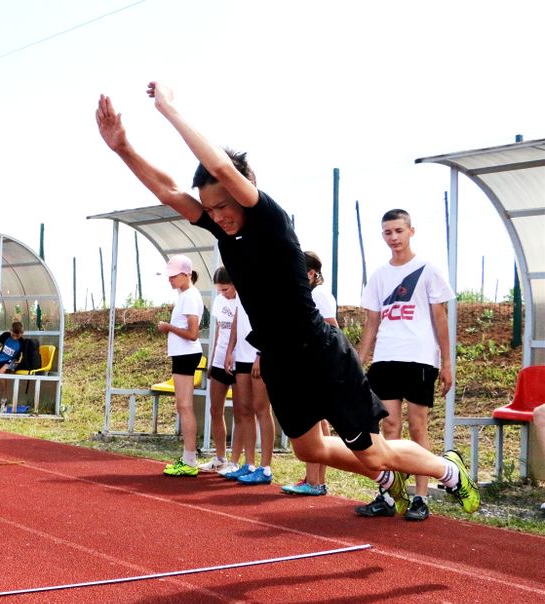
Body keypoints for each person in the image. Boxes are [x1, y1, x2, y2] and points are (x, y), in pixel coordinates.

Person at [95, 83, 479, 517]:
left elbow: (220, 165)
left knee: (373, 452)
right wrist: (123, 148)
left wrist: (169, 111)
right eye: (211, 208)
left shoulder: (270, 220)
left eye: (224, 204)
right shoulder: (224, 230)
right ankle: (388, 475)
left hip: (318, 351)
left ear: (244, 188)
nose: (218, 214)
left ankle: (449, 470)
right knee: (306, 448)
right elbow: (167, 191)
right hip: (279, 358)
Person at [356, 210, 453, 521]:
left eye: (398, 230)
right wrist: (359, 360)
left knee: (417, 426)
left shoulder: (428, 270)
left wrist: (447, 362)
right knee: (388, 426)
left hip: (420, 358)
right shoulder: (379, 275)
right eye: (387, 232)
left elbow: (441, 318)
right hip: (386, 358)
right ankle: (388, 494)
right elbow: (372, 322)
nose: (393, 237)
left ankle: (421, 497)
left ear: (411, 230)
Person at [283, 251, 338, 496]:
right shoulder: (309, 293)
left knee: (314, 422)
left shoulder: (318, 294)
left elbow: (332, 328)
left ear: (311, 273)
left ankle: (315, 482)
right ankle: (315, 479)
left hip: (317, 363)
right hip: (310, 362)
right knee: (318, 421)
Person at [156, 255, 204, 476]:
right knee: (182, 406)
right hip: (182, 355)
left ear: (186, 274)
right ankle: (188, 458)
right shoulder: (185, 295)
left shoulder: (190, 297)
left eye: (174, 276)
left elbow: (193, 334)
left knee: (185, 406)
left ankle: (190, 460)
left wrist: (169, 327)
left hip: (186, 354)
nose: (170, 280)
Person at [222, 292, 275, 485]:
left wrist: (260, 354)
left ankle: (265, 468)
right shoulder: (240, 293)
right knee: (244, 409)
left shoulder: (263, 290)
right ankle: (250, 464)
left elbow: (270, 321)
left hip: (259, 356)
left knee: (261, 409)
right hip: (242, 357)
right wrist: (230, 351)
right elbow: (237, 321)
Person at [197, 267, 239, 475]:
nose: (222, 293)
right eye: (219, 290)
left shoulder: (243, 301)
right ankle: (219, 457)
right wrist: (213, 360)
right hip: (220, 360)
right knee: (215, 410)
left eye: (225, 289)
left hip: (240, 362)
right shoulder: (220, 301)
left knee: (241, 413)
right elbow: (220, 331)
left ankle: (235, 460)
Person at [0, 321, 24, 412]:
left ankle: (3, 401)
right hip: (0, 359)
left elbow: (19, 359)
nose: (15, 337)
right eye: (13, 335)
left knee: (1, 374)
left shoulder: (22, 342)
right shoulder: (5, 336)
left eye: (17, 336)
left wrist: (8, 365)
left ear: (21, 333)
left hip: (12, 362)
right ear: (10, 331)